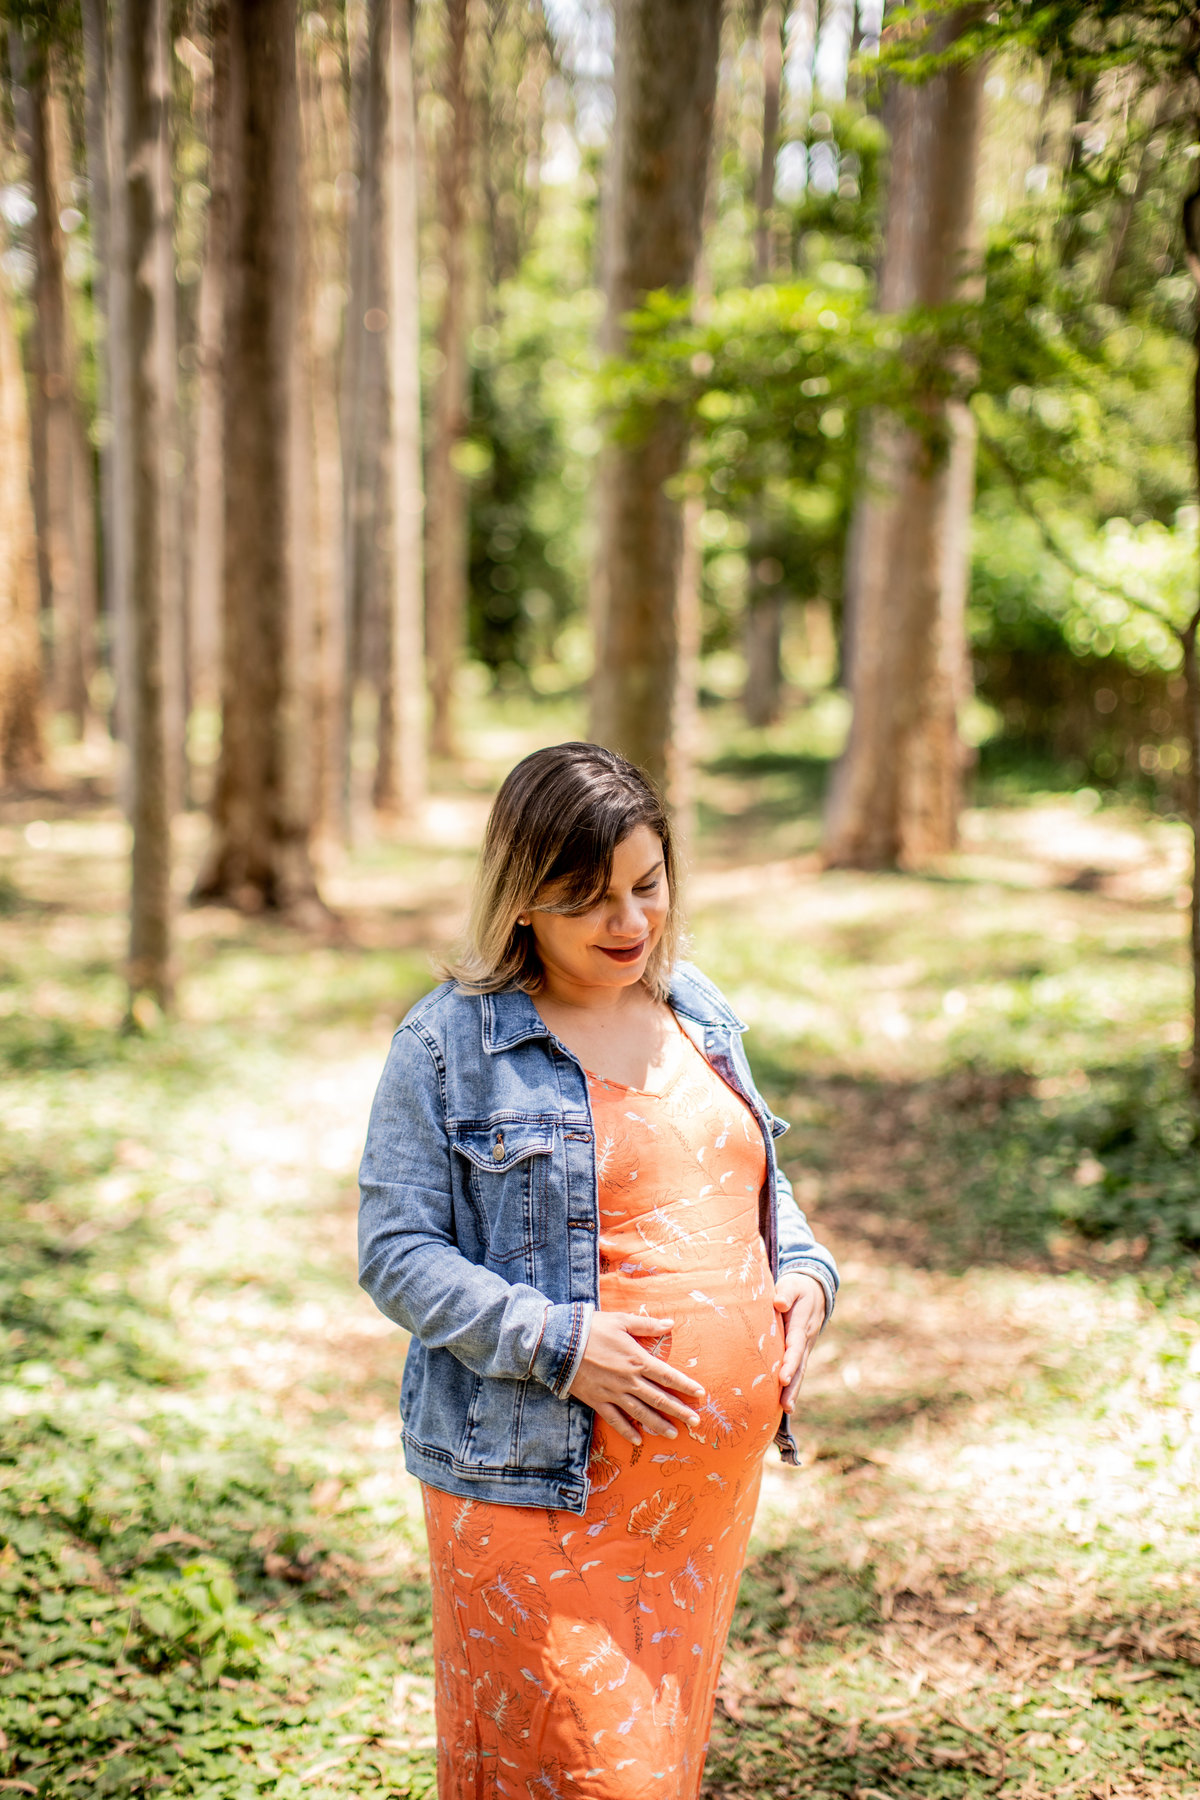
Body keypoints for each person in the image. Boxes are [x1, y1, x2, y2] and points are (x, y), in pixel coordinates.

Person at [358, 741, 839, 1800]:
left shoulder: (696, 1008)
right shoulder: (448, 1045)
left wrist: (806, 1274)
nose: (629, 922)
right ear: (523, 899)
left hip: (698, 1511)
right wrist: (560, 1344)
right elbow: (395, 1253)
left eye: (647, 885)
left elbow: (752, 1177)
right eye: (588, 898)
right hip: (543, 1491)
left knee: (658, 1767)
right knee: (572, 1775)